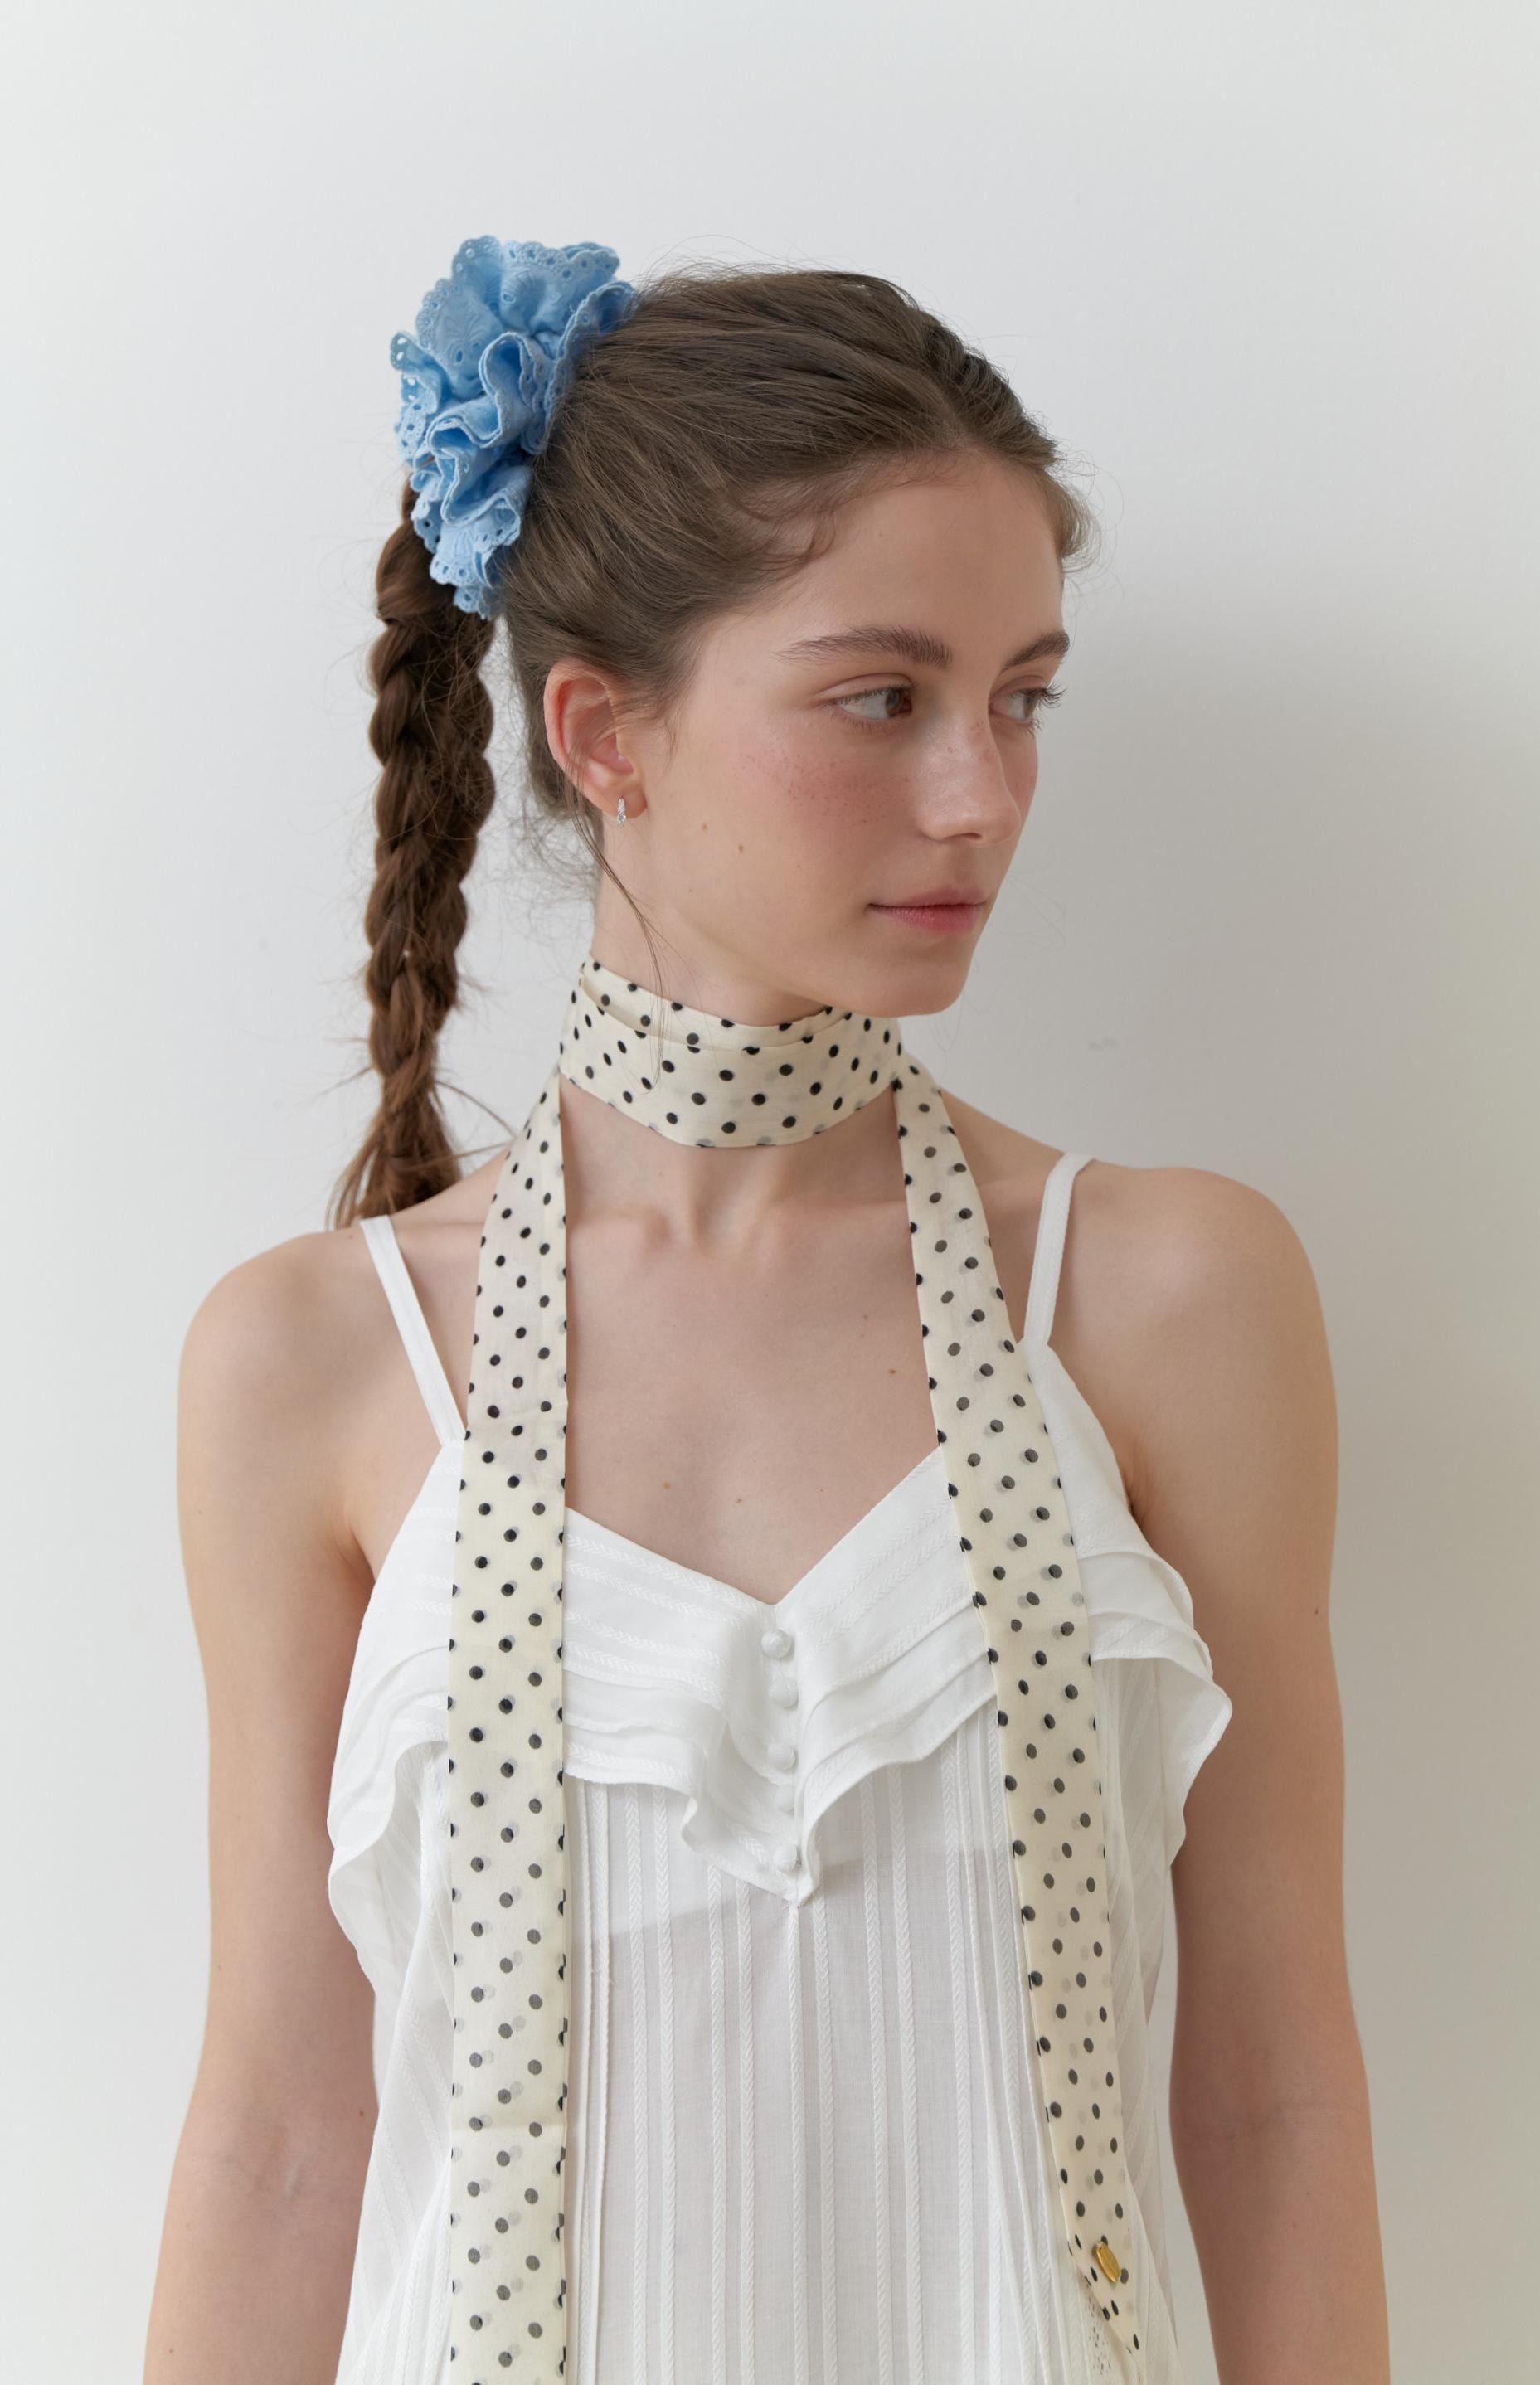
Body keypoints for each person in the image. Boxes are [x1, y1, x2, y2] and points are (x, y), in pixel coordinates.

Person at [146, 245, 1387, 2383]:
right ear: (602, 732)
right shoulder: (316, 1361)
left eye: (1023, 696)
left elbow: (1273, 2096)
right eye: (882, 696)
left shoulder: (1164, 1296)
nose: (982, 793)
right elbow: (279, 2136)